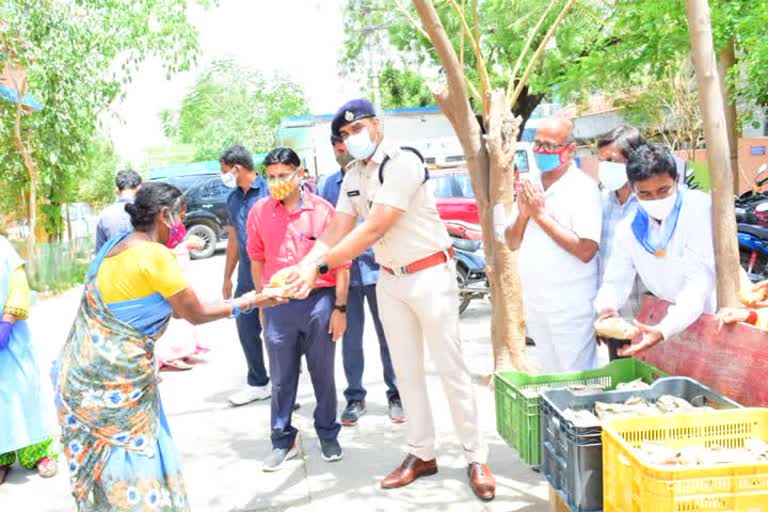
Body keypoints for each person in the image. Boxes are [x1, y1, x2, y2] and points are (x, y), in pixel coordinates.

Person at [284, 99, 495, 501]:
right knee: (406, 372)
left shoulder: (403, 163)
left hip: (430, 274)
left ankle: (475, 456)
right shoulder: (352, 175)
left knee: (451, 370)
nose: (351, 139)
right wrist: (306, 264)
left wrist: (319, 267)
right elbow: (337, 227)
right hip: (391, 280)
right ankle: (421, 452)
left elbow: (376, 225)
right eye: (344, 135)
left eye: (357, 129)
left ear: (377, 126)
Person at [54, 182, 284, 510]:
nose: (183, 226)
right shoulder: (155, 255)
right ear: (165, 216)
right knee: (134, 467)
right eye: (182, 217)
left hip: (79, 382)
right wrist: (251, 300)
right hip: (119, 387)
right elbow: (193, 313)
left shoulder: (112, 247)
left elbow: (171, 309)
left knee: (106, 472)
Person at [246, 147, 350, 472]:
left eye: (282, 175)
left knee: (323, 375)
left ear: (300, 173)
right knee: (280, 378)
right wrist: (263, 301)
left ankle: (328, 433)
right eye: (271, 176)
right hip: (278, 305)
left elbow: (343, 261)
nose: (276, 182)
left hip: (320, 303)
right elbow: (257, 259)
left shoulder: (323, 211)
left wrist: (340, 308)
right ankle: (282, 439)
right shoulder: (260, 212)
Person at [500, 117, 603, 372]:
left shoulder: (583, 188)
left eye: (549, 146)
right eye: (537, 144)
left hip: (571, 305)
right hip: (537, 302)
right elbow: (511, 242)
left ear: (569, 150)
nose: (541, 152)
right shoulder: (530, 182)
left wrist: (540, 216)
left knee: (577, 379)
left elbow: (586, 250)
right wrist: (524, 215)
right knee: (549, 375)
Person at [594, 144, 716, 357]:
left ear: (677, 180)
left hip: (711, 312)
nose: (656, 200)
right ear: (633, 189)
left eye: (663, 190)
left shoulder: (699, 208)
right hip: (667, 317)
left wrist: (664, 330)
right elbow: (615, 280)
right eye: (645, 194)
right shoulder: (630, 226)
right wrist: (607, 309)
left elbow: (699, 283)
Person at [317, 134, 403, 425]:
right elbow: (331, 231)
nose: (344, 152)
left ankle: (397, 394)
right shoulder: (329, 186)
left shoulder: (377, 176)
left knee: (388, 334)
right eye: (338, 149)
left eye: (346, 147)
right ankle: (355, 396)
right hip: (345, 275)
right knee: (349, 338)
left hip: (378, 268)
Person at [0, 236, 58, 485]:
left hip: (10, 335)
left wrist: (7, 322)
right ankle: (2, 455)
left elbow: (18, 284)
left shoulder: (2, 246)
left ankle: (39, 452)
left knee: (24, 391)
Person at [220, 146, 272, 406]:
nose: (224, 175)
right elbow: (233, 240)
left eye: (224, 170)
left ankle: (285, 385)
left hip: (272, 272)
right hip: (245, 276)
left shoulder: (270, 190)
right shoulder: (232, 199)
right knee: (246, 328)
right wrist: (227, 277)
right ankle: (258, 382)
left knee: (277, 330)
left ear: (236, 168)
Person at [596, 125, 646, 360]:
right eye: (601, 160)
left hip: (648, 321)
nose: (605, 167)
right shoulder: (602, 202)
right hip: (614, 317)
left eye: (612, 160)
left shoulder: (650, 203)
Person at [95, 169, 142, 252]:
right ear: (139, 187)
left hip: (115, 263)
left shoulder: (104, 215)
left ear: (117, 190)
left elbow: (100, 252)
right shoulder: (147, 211)